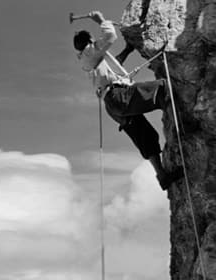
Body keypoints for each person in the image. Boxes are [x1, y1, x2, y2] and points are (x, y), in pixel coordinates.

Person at [73, 11, 182, 190]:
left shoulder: (90, 59)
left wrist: (128, 49)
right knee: (162, 88)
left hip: (114, 105)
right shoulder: (89, 52)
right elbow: (110, 35)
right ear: (89, 41)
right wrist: (101, 20)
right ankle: (183, 129)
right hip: (119, 96)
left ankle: (162, 176)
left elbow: (113, 68)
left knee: (145, 135)